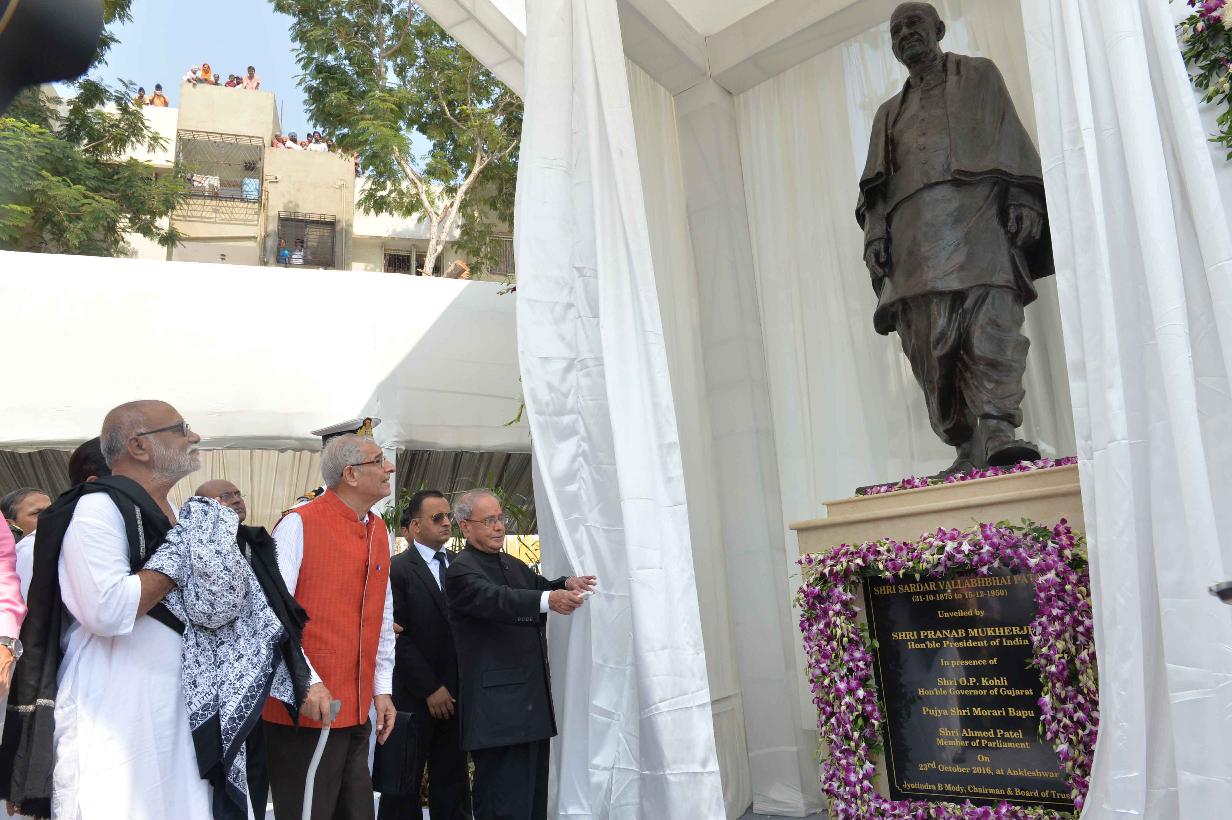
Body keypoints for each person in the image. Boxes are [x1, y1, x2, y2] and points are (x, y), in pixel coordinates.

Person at [856, 2, 1054, 475]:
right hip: (914, 235)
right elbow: (875, 188)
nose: (906, 34)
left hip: (978, 213)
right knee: (928, 337)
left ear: (939, 29)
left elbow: (1008, 135)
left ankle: (998, 428)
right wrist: (875, 234)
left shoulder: (979, 75)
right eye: (896, 30)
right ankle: (965, 445)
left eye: (914, 24)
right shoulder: (887, 113)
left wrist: (1023, 195)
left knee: (991, 316)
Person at [1, 401, 208, 817]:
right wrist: (178, 556)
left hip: (175, 703)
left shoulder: (177, 514)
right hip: (118, 709)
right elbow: (107, 610)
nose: (194, 437)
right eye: (180, 428)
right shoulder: (98, 508)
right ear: (139, 446)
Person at [263, 433, 398, 820]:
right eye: (379, 461)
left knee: (356, 811)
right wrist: (305, 681)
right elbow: (271, 614)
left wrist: (382, 688)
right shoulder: (299, 523)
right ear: (351, 474)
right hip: (308, 706)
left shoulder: (377, 529)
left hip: (355, 706)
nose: (389, 468)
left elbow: (382, 615)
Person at [445, 489, 596, 820]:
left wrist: (565, 584)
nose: (499, 526)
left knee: (532, 802)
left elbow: (537, 586)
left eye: (500, 518)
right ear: (465, 526)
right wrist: (548, 600)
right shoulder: (461, 570)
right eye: (489, 520)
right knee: (502, 803)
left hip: (531, 707)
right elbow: (498, 599)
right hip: (497, 714)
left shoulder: (511, 563)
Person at [195, 479, 324, 819]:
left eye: (239, 494)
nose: (237, 500)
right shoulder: (195, 545)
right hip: (215, 680)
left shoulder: (255, 542)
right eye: (226, 496)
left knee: (256, 767)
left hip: (259, 678)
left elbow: (277, 604)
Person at [379, 491, 470, 820]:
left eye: (448, 516)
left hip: (457, 695)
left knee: (453, 783)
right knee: (403, 786)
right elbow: (396, 636)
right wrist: (430, 688)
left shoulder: (462, 566)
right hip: (413, 697)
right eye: (437, 517)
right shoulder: (397, 570)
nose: (446, 523)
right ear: (415, 526)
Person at [287, 417, 383, 513]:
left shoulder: (373, 513)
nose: (387, 468)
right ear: (349, 471)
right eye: (375, 461)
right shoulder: (302, 515)